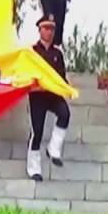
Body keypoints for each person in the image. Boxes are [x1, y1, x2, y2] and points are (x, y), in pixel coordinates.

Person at [26, 15, 71, 182]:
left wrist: (66, 88)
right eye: (46, 28)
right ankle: (34, 168)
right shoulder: (32, 52)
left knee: (65, 113)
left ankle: (54, 148)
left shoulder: (57, 54)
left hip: (52, 94)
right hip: (37, 95)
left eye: (52, 28)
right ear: (39, 30)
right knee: (37, 132)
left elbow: (61, 77)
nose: (49, 32)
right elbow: (26, 75)